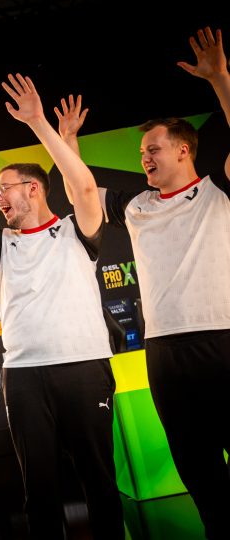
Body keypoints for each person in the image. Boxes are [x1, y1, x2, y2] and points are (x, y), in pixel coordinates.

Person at [59, 26, 230, 540]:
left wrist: (220, 79)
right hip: (164, 351)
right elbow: (82, 192)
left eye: (153, 149)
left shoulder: (219, 191)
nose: (145, 158)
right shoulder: (136, 206)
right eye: (140, 154)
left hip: (221, 340)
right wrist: (67, 142)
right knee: (197, 466)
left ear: (184, 151)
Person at [0, 74, 123, 539]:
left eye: (5, 188)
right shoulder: (3, 244)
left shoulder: (77, 230)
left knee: (99, 481)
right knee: (38, 491)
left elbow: (84, 189)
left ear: (34, 188)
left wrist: (39, 123)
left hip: (83, 367)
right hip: (23, 377)